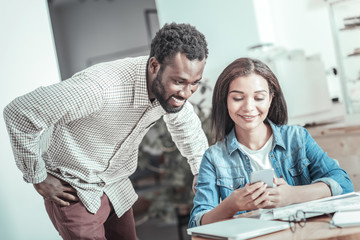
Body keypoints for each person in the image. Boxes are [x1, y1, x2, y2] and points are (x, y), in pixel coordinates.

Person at [4, 22, 209, 239]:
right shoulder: (100, 88)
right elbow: (19, 112)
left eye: (194, 83)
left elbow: (186, 125)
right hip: (75, 190)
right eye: (179, 82)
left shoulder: (168, 91)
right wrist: (38, 176)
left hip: (116, 187)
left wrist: (200, 170)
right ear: (154, 66)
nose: (187, 93)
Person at [188, 57, 354, 228]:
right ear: (225, 101)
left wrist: (293, 195)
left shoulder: (297, 138)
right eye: (238, 98)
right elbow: (197, 223)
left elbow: (343, 184)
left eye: (259, 98)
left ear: (271, 98)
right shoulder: (214, 158)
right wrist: (231, 205)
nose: (248, 107)